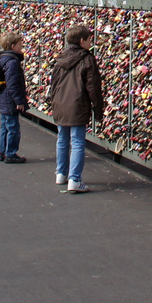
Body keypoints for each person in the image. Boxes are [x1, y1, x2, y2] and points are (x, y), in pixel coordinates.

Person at [48, 25, 104, 193]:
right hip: (78, 104)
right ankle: (75, 179)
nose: (90, 43)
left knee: (62, 139)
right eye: (89, 40)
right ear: (82, 41)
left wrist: (53, 101)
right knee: (78, 141)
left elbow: (54, 83)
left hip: (60, 103)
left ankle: (61, 174)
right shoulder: (87, 59)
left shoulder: (61, 58)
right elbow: (93, 87)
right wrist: (98, 109)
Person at [0, 31, 28, 163]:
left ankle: (2, 152)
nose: (22, 47)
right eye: (20, 44)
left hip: (4, 98)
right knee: (13, 128)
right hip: (10, 100)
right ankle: (11, 153)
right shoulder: (12, 62)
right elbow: (13, 83)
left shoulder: (2, 58)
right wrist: (19, 101)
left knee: (5, 126)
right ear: (13, 46)